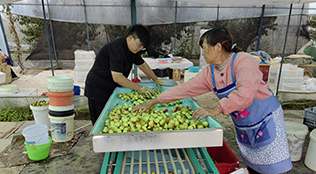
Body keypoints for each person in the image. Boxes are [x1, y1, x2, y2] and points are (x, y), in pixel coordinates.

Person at [132, 27, 292, 174]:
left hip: (266, 120)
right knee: (254, 166)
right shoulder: (211, 73)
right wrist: (154, 101)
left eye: (204, 48)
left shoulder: (243, 61)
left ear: (218, 47)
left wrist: (216, 109)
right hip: (245, 125)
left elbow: (245, 93)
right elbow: (184, 89)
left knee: (273, 166)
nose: (202, 53)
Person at [84, 24, 164, 125]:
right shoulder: (116, 49)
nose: (140, 49)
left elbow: (142, 65)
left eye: (142, 48)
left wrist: (155, 79)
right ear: (131, 38)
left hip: (111, 87)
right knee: (100, 122)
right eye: (139, 45)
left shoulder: (132, 50)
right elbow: (118, 78)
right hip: (98, 88)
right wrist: (141, 88)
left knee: (113, 120)